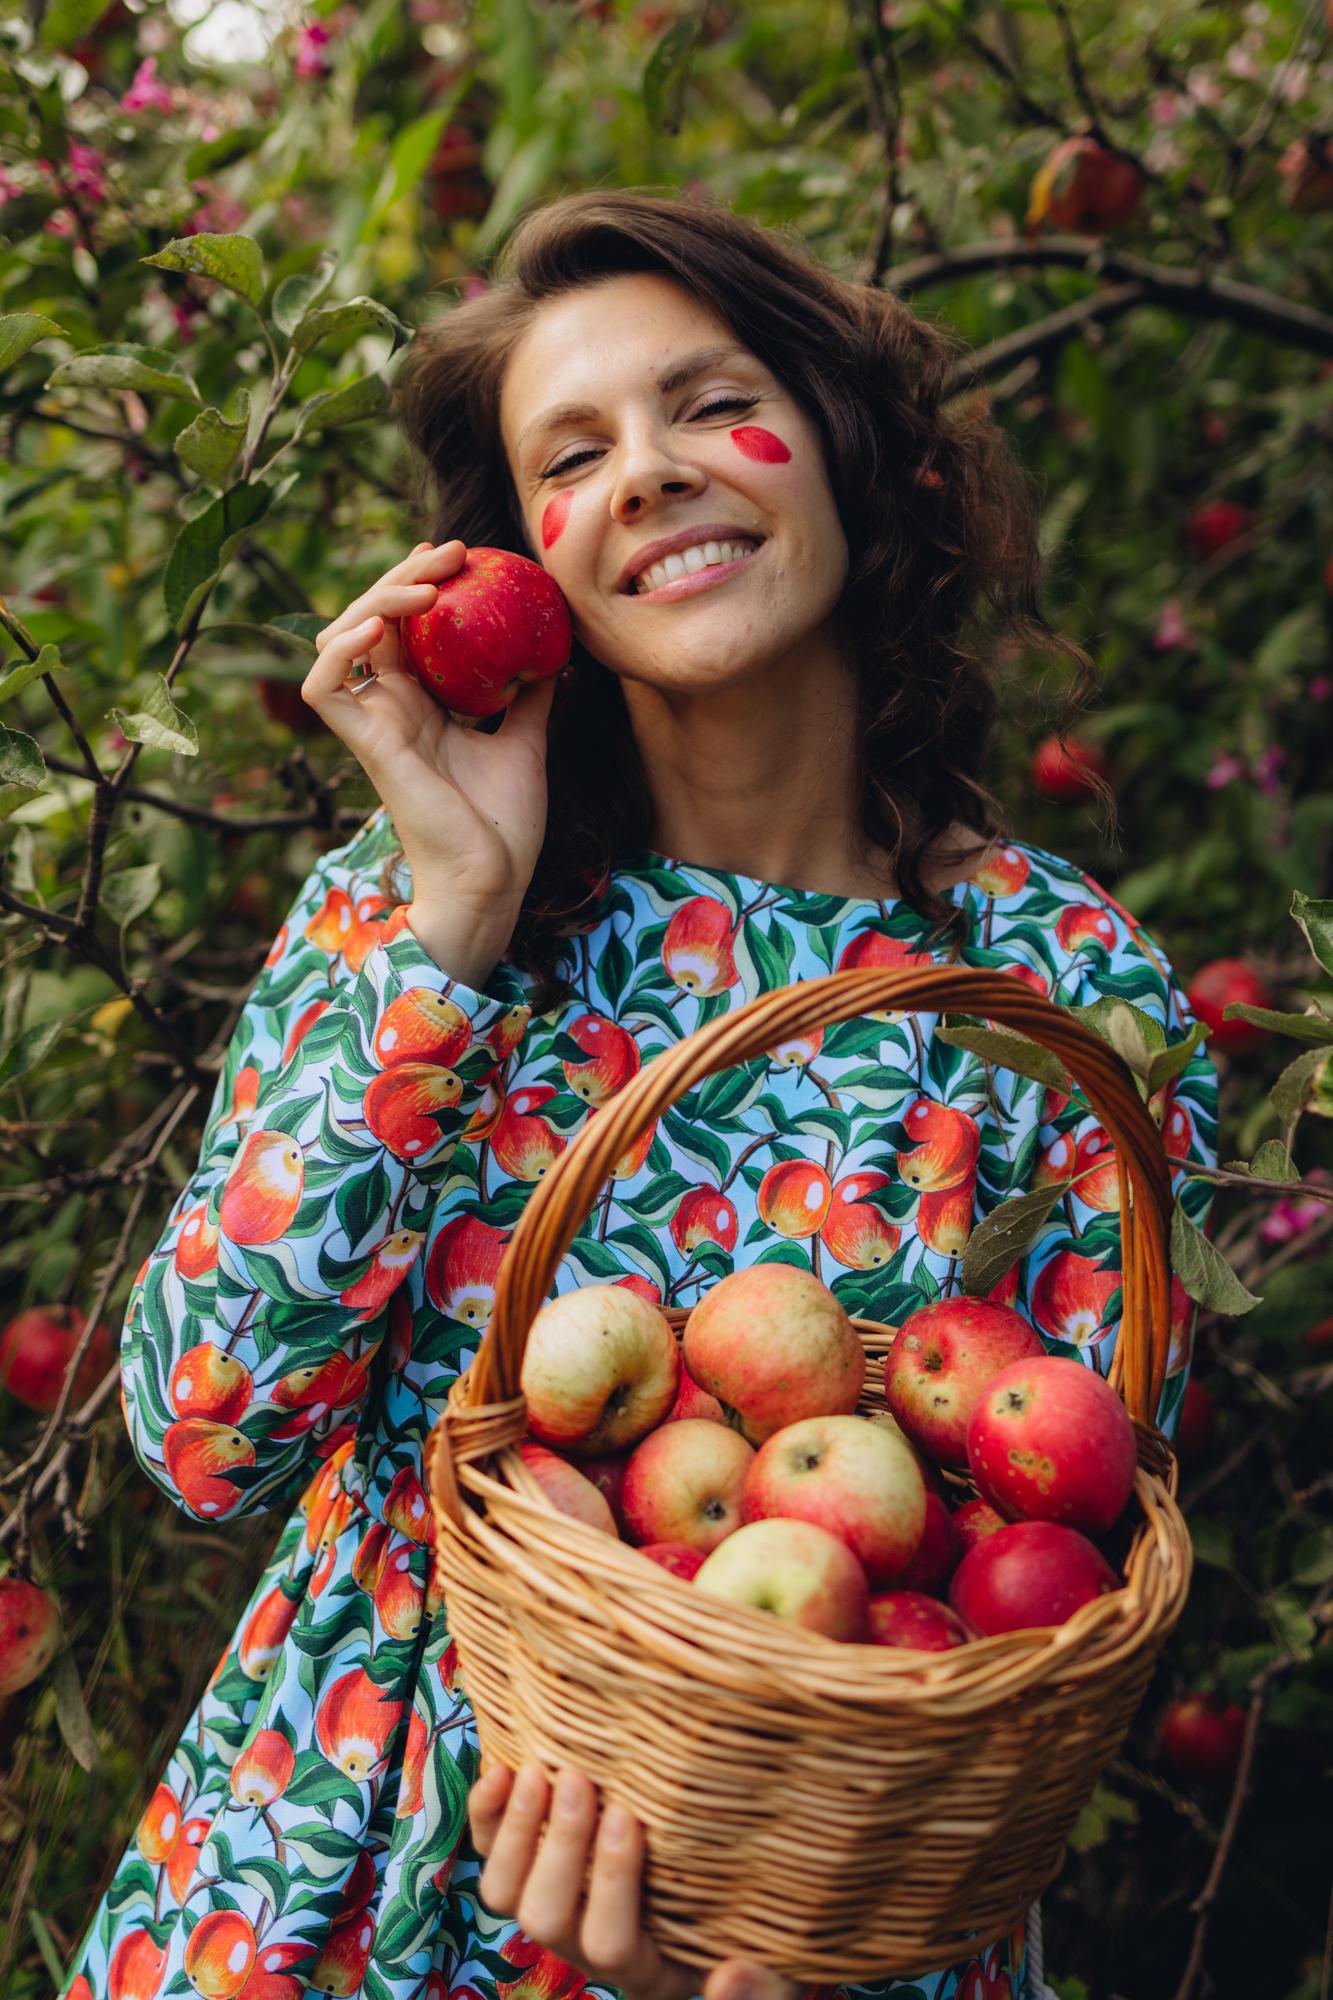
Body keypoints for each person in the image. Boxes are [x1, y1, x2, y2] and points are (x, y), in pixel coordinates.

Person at [68, 190, 1217, 2000]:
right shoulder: (430, 910)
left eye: (706, 404)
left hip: (806, 1919)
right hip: (339, 1869)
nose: (653, 472)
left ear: (840, 447)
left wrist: (748, 1924)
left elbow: (1058, 1582)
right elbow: (203, 1440)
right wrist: (452, 913)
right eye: (574, 452)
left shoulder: (1059, 988)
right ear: (527, 555)